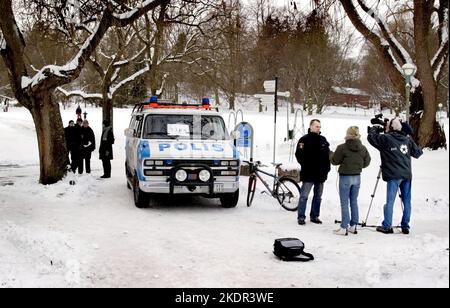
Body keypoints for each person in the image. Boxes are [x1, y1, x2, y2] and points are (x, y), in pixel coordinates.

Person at [367, 117, 423, 234]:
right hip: (406, 175)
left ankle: (387, 225)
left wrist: (374, 129)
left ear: (391, 127)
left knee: (390, 201)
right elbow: (418, 153)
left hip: (393, 175)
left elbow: (371, 138)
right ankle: (405, 226)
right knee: (406, 201)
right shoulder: (407, 140)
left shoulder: (386, 139)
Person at [330, 126, 371, 235]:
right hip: (357, 177)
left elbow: (334, 161)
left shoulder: (342, 147)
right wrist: (359, 166)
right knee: (354, 201)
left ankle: (344, 227)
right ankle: (353, 226)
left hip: (345, 177)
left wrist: (330, 154)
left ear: (347, 134)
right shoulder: (363, 148)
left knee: (344, 203)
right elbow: (367, 161)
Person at [295, 119, 331, 225]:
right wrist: (306, 165)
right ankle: (301, 216)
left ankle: (315, 216)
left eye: (319, 126)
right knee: (304, 196)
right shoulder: (304, 140)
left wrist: (327, 168)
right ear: (310, 126)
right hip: (309, 173)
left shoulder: (323, 140)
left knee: (318, 196)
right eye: (316, 126)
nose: (318, 128)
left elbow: (327, 155)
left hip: (321, 174)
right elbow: (299, 155)